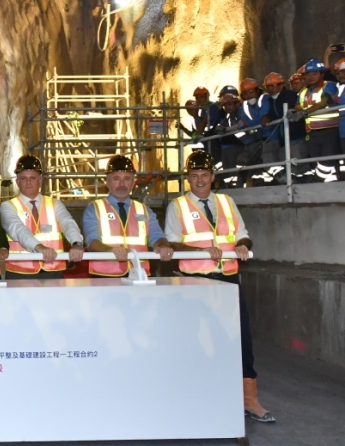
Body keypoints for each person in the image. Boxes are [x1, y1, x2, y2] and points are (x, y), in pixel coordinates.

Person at [164, 150, 274, 423]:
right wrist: (201, 251)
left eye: (204, 175)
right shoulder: (177, 206)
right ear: (187, 178)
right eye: (194, 175)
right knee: (197, 340)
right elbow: (172, 243)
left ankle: (249, 399)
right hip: (195, 284)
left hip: (228, 281)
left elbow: (244, 235)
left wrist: (241, 246)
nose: (199, 180)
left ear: (213, 177)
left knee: (239, 340)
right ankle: (199, 396)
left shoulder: (227, 202)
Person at [82, 155, 172, 276]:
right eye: (116, 179)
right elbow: (92, 241)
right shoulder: (94, 209)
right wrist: (110, 250)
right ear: (107, 182)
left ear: (133, 182)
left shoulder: (144, 210)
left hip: (139, 275)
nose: (122, 184)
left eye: (127, 179)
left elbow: (157, 236)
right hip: (105, 276)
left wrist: (163, 246)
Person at [0, 155, 82, 279]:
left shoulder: (55, 204)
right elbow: (17, 229)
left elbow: (68, 223)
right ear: (17, 182)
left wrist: (77, 243)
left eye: (32, 178)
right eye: (23, 178)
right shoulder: (8, 206)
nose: (28, 182)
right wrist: (40, 248)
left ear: (40, 180)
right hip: (21, 273)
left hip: (53, 271)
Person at [295, 57, 340, 181]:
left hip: (330, 131)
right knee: (315, 160)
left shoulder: (329, 85)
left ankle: (322, 184)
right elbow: (297, 106)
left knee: (327, 162)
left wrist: (305, 111)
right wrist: (293, 112)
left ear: (321, 74)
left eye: (315, 74)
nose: (311, 77)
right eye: (308, 74)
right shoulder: (303, 92)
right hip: (312, 133)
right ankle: (330, 188)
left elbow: (325, 101)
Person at [260, 72, 304, 184]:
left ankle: (303, 181)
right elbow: (275, 113)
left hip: (295, 134)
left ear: (281, 85)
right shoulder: (271, 100)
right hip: (283, 137)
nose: (270, 88)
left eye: (273, 85)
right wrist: (267, 116)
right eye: (268, 86)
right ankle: (291, 182)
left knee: (296, 159)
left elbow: (285, 112)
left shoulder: (289, 95)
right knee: (286, 159)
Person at [236, 78, 269, 185]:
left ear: (257, 91)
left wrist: (247, 125)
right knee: (242, 160)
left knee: (264, 159)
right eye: (246, 93)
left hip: (268, 137)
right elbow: (241, 126)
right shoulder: (243, 107)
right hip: (251, 140)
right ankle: (243, 181)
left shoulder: (265, 99)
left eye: (251, 91)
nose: (249, 95)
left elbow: (261, 118)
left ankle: (267, 182)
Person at [214, 93, 244, 188]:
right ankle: (230, 185)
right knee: (227, 168)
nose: (227, 107)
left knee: (233, 166)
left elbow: (241, 125)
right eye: (225, 105)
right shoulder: (229, 116)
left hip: (237, 145)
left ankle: (235, 185)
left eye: (230, 104)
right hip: (228, 146)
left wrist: (226, 130)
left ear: (236, 104)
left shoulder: (241, 112)